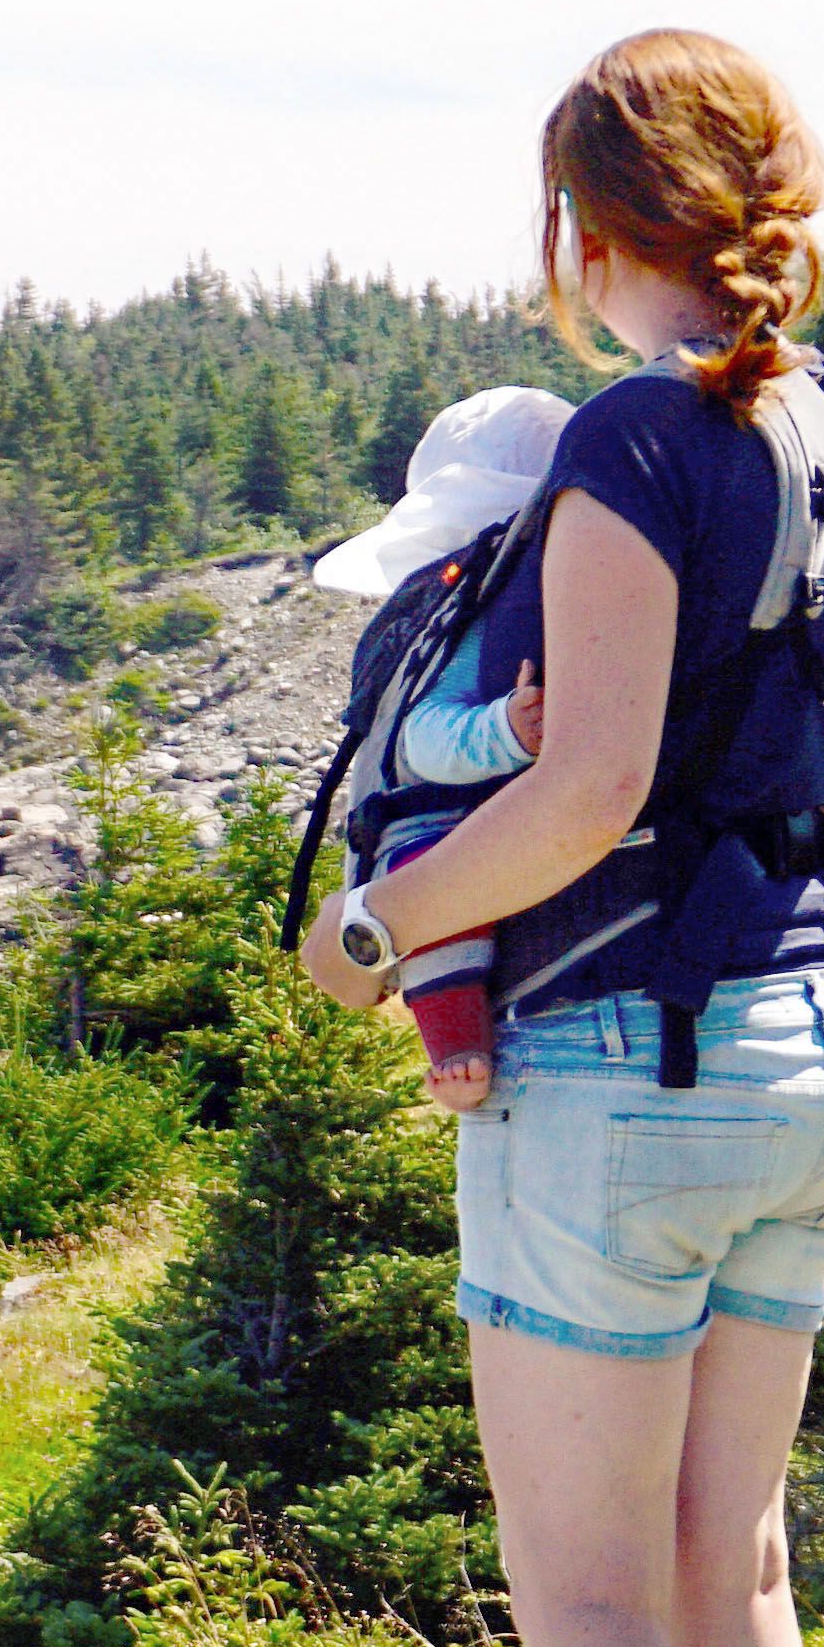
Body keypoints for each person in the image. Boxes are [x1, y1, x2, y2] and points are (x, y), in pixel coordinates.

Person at [296, 28, 824, 1647]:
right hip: (822, 1045)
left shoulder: (635, 442)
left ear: (579, 230)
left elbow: (578, 795)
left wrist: (375, 925)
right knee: (728, 1570)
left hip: (634, 1068)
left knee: (588, 1600)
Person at [304, 386, 573, 1111]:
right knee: (437, 889)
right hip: (439, 820)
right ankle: (455, 1046)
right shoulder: (481, 609)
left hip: (494, 821)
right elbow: (424, 736)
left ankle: (460, 1048)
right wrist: (504, 732)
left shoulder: (502, 593)